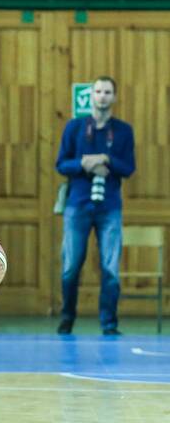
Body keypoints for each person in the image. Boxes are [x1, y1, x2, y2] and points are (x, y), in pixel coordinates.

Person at [54, 76, 135, 336]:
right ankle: (67, 319)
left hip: (109, 207)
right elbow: (61, 165)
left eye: (107, 92)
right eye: (98, 91)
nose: (102, 96)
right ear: (90, 96)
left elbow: (129, 168)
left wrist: (107, 159)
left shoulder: (123, 131)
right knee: (70, 268)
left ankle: (109, 324)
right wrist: (84, 163)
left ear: (114, 97)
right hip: (77, 205)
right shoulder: (75, 127)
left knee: (111, 269)